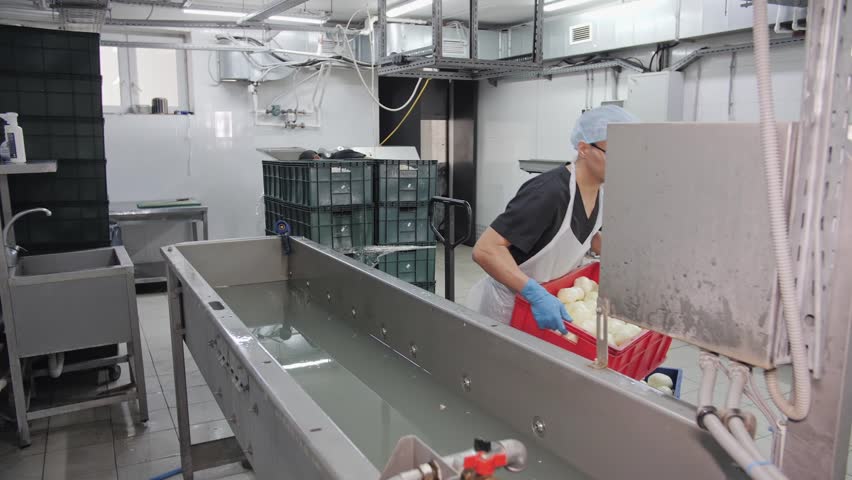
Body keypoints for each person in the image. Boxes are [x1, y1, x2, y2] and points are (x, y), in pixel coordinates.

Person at [466, 105, 638, 332]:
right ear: (584, 148)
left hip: (549, 305)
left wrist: (622, 261)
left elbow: (583, 231)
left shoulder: (599, 193)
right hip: (508, 308)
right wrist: (535, 294)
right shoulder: (549, 192)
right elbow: (486, 249)